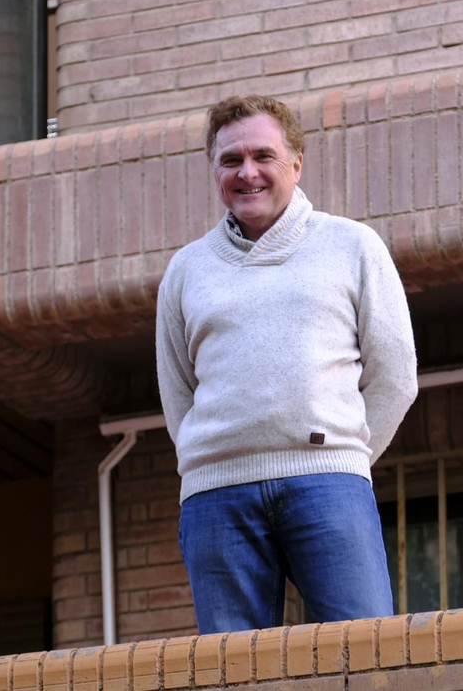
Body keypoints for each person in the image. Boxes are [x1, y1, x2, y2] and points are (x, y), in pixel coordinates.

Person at [155, 94, 420, 633]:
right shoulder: (186, 271)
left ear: (296, 164)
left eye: (262, 156)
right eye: (230, 160)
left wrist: (348, 453)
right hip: (216, 496)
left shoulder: (352, 245)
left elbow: (395, 374)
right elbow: (177, 390)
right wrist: (212, 457)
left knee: (365, 654)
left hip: (328, 483)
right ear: (214, 170)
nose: (246, 172)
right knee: (231, 673)